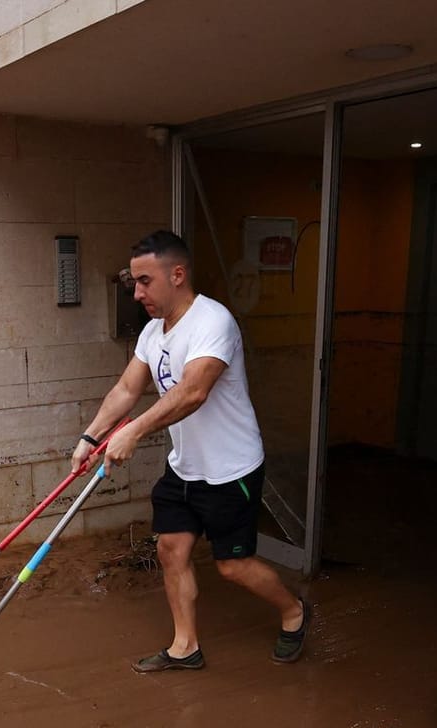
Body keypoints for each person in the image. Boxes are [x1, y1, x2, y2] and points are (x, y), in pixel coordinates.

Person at [73, 229, 310, 671]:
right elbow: (128, 388)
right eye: (134, 282)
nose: (137, 291)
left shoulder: (213, 322)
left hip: (230, 470)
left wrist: (133, 433)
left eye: (145, 281)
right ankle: (185, 646)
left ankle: (293, 610)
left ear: (177, 274)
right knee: (171, 549)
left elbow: (192, 392)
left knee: (232, 566)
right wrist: (92, 437)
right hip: (185, 468)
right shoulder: (152, 333)